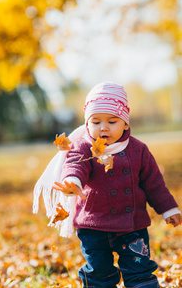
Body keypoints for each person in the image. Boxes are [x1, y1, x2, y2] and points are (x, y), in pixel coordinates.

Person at [33, 82, 181, 288]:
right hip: (94, 226)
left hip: (132, 227)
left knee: (139, 272)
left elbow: (154, 183)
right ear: (87, 124)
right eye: (95, 122)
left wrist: (168, 208)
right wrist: (72, 181)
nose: (103, 127)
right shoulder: (84, 147)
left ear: (125, 123)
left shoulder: (139, 150)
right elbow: (75, 165)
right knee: (98, 275)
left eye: (112, 121)